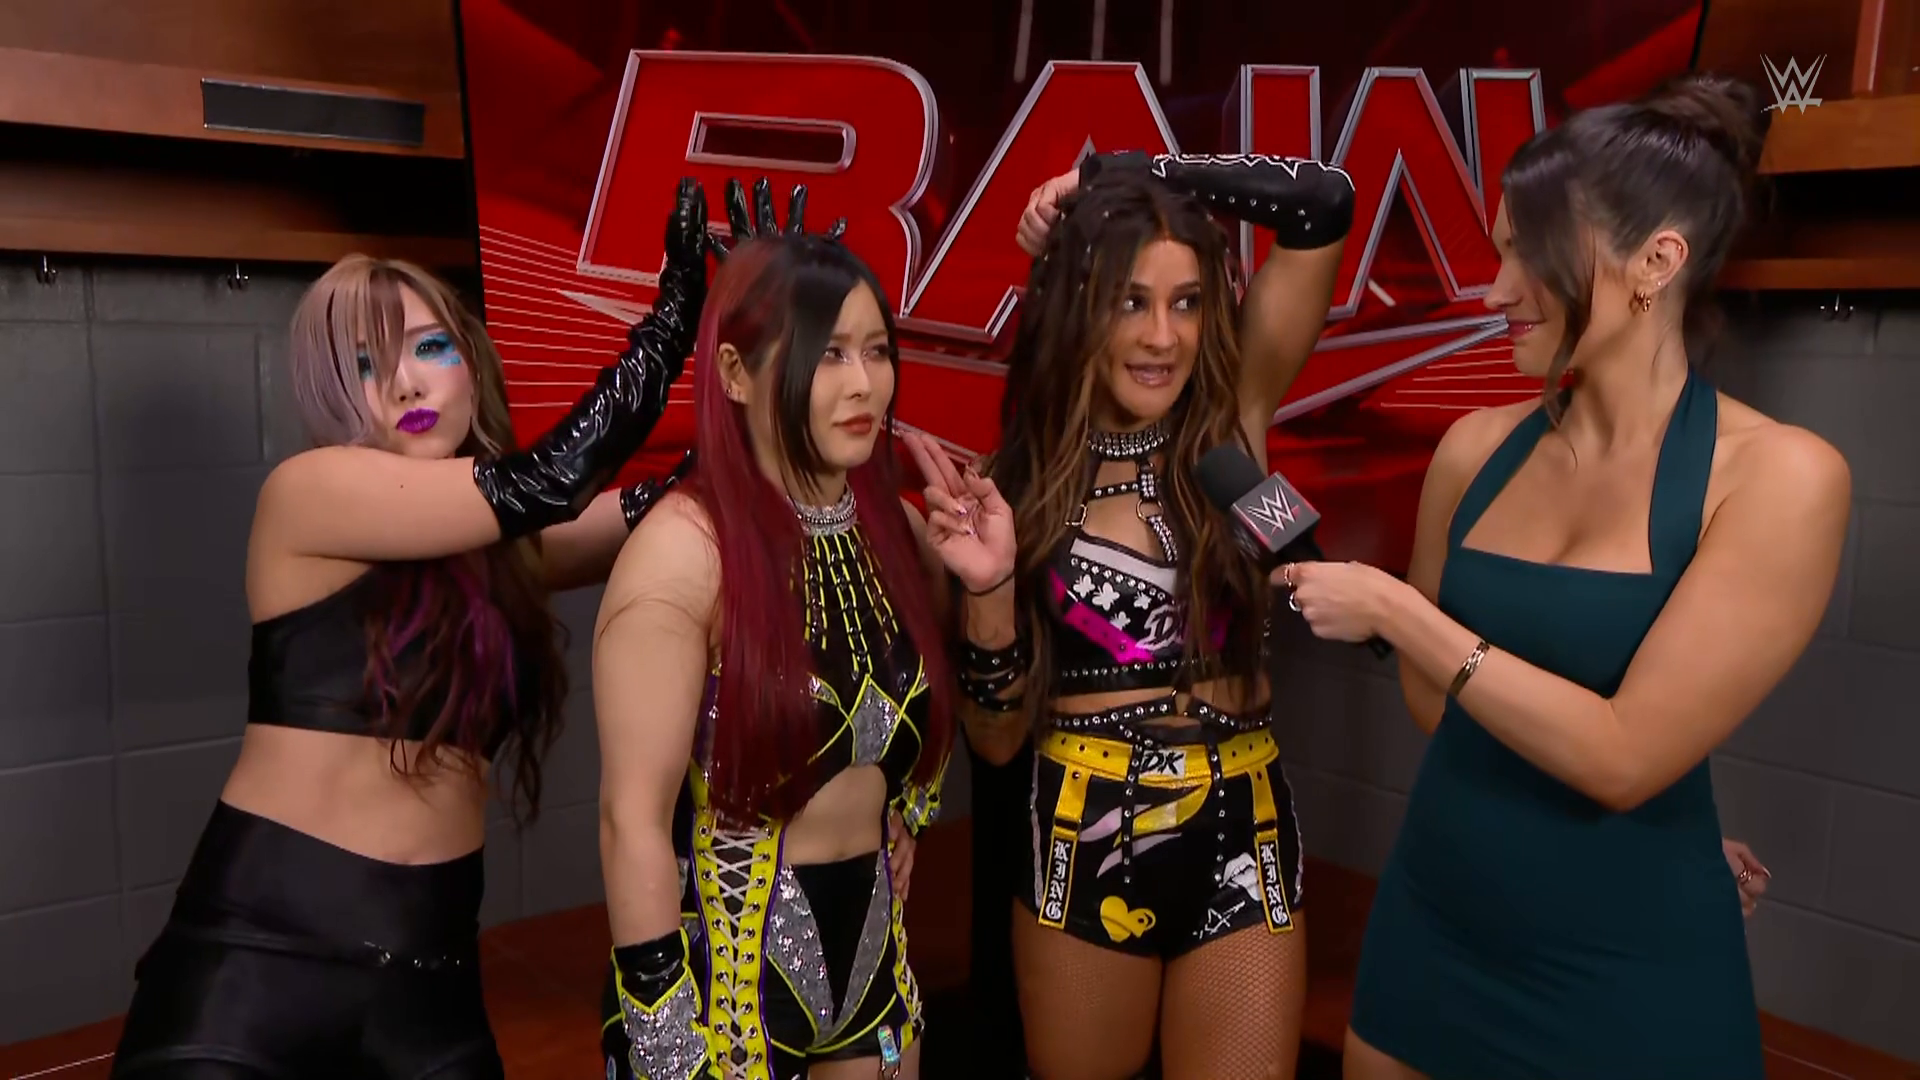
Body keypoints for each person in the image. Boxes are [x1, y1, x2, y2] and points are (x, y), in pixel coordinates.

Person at [1277, 74, 1849, 1080]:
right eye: (1501, 252)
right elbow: (1434, 707)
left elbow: (1625, 757)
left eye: (1531, 256)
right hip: (1435, 923)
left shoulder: (1780, 478)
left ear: (1656, 263)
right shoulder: (1473, 449)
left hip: (1628, 967)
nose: (1498, 290)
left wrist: (1402, 613)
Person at [108, 180, 711, 1079]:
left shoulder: (501, 548)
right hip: (258, 968)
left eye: (429, 346)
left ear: (471, 359)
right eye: (366, 363)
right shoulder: (310, 493)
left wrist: (758, 354)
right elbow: (552, 481)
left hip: (430, 987)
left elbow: (665, 505)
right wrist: (673, 317)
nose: (404, 383)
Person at [593, 180, 1016, 1080]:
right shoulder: (685, 552)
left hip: (876, 969)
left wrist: (989, 587)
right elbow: (631, 822)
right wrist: (669, 1048)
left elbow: (971, 728)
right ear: (736, 373)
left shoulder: (898, 531)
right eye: (826, 355)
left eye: (875, 350)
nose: (864, 383)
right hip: (726, 1000)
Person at [953, 151, 1356, 1080]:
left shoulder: (1231, 424)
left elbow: (1321, 200)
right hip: (1083, 830)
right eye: (1130, 302)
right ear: (1078, 307)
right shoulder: (1019, 483)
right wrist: (986, 593)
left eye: (1187, 302)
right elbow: (997, 739)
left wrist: (1122, 173)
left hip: (1245, 827)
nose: (1162, 336)